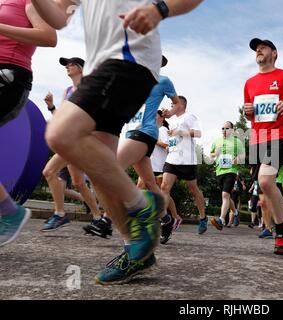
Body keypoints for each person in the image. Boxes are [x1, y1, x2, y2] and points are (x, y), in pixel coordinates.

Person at [31, 0, 204, 285]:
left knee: (60, 134)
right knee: (102, 170)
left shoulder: (165, 80)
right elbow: (59, 17)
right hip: (102, 68)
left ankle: (142, 205)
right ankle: (136, 252)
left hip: (129, 59)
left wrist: (159, 9)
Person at [0, 0, 57, 247]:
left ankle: (8, 210)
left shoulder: (29, 2)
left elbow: (48, 36)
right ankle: (7, 210)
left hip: (10, 75)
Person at [243, 38, 283, 255]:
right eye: (256, 49)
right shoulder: (249, 83)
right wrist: (246, 111)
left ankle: (279, 232)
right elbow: (249, 113)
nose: (258, 50)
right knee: (265, 186)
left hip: (278, 135)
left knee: (266, 180)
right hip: (257, 138)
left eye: (263, 47)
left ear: (274, 53)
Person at [116, 55, 182, 245]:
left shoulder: (163, 81)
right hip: (131, 133)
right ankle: (166, 219)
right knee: (150, 184)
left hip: (147, 132)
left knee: (113, 168)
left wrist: (171, 111)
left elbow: (176, 102)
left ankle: (107, 219)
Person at [41, 57, 105, 234]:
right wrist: (52, 107)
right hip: (69, 138)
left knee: (49, 171)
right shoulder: (68, 90)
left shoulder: (91, 88)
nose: (67, 67)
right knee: (78, 182)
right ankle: (98, 218)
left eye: (71, 64)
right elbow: (61, 117)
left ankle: (60, 214)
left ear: (81, 69)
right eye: (66, 65)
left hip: (80, 140)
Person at [160, 96, 207, 235]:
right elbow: (174, 138)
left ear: (180, 104)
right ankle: (165, 220)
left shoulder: (189, 117)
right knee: (164, 187)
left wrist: (180, 132)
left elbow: (198, 133)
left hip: (187, 160)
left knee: (193, 189)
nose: (170, 106)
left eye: (172, 104)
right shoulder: (173, 121)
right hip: (172, 158)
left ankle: (203, 217)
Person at [210, 121, 245, 231]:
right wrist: (215, 154)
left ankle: (221, 220)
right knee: (227, 196)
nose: (224, 130)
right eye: (222, 128)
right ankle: (235, 212)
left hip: (231, 171)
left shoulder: (237, 142)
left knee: (225, 195)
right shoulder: (217, 141)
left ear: (232, 130)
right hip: (219, 171)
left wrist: (237, 160)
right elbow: (211, 154)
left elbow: (243, 155)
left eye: (227, 128)